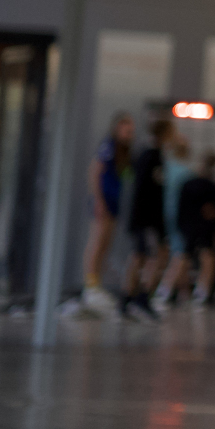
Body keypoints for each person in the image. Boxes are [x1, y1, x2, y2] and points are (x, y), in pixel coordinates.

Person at [81, 112, 134, 314]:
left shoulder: (124, 152)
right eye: (126, 130)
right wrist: (98, 199)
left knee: (105, 243)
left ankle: (96, 283)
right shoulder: (108, 146)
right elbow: (95, 170)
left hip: (113, 201)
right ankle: (90, 285)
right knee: (97, 241)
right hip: (103, 200)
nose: (129, 134)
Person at [120, 117, 172, 322]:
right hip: (147, 219)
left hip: (145, 218)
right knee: (150, 256)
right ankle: (138, 297)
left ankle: (130, 298)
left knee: (141, 256)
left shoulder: (150, 155)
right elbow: (145, 192)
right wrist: (152, 222)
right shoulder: (151, 156)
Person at [175, 151, 215, 307]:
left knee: (185, 257)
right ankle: (201, 292)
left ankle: (178, 291)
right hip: (204, 228)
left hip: (190, 226)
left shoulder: (190, 183)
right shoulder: (211, 186)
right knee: (206, 258)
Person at [152, 135, 193, 308]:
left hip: (163, 213)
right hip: (180, 216)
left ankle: (183, 291)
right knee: (180, 252)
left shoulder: (165, 168)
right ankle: (164, 289)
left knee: (172, 250)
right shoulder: (186, 173)